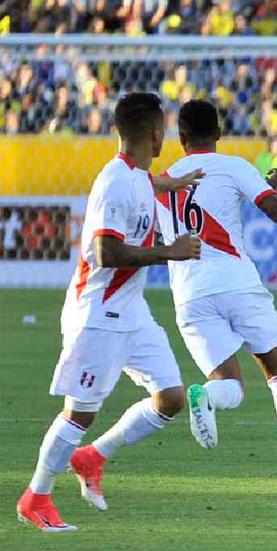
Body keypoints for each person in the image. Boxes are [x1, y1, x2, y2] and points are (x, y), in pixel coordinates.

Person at [16, 92, 203, 531]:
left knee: (171, 397)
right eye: (164, 130)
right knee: (79, 412)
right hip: (98, 315)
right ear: (155, 133)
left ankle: (92, 457)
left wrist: (167, 185)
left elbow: (145, 186)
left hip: (131, 313)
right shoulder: (115, 182)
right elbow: (105, 251)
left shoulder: (137, 174)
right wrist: (168, 252)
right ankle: (36, 496)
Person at [154, 100, 277, 493]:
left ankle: (209, 395)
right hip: (236, 282)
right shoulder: (234, 166)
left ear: (180, 137)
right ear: (218, 135)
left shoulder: (162, 181)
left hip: (188, 294)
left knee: (230, 388)